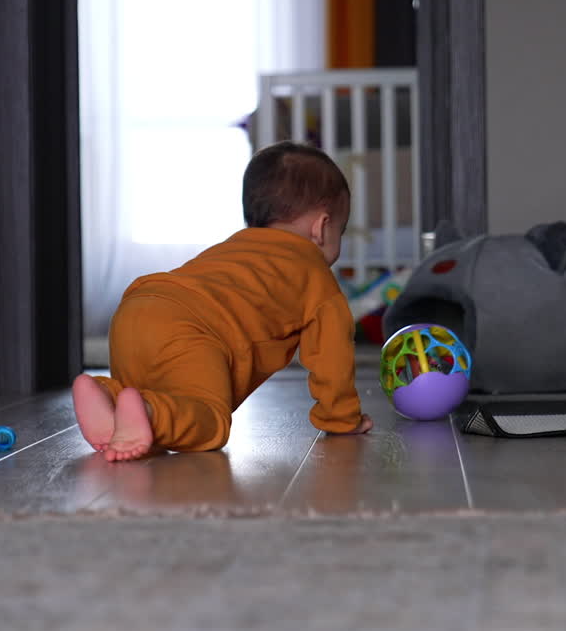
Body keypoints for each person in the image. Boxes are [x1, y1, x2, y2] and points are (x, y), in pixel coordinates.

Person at [73, 141, 373, 461]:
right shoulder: (314, 275)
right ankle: (147, 412)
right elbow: (332, 358)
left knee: (153, 389)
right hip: (192, 328)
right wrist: (341, 419)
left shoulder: (234, 247)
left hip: (136, 309)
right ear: (322, 227)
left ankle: (109, 397)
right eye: (340, 231)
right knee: (208, 420)